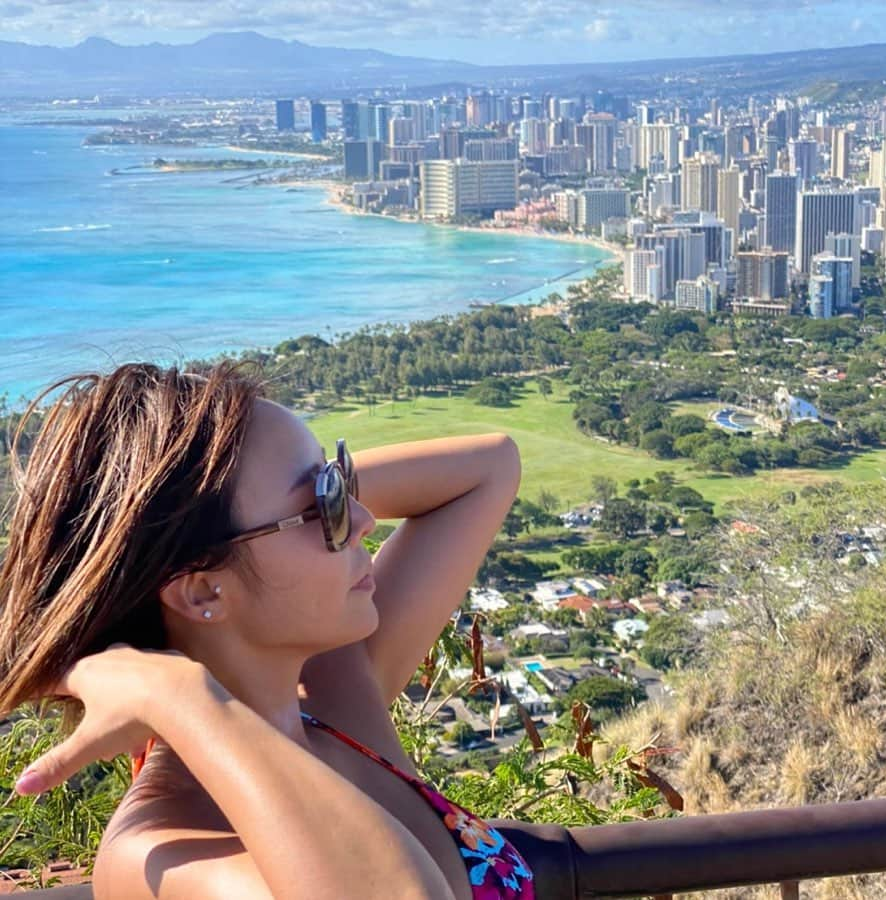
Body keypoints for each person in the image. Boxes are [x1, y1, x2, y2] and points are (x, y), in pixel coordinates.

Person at [0, 362, 535, 900]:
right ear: (203, 591)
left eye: (339, 481)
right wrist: (176, 694)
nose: (364, 518)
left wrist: (306, 492)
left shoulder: (332, 698)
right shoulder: (159, 856)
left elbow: (489, 467)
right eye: (322, 506)